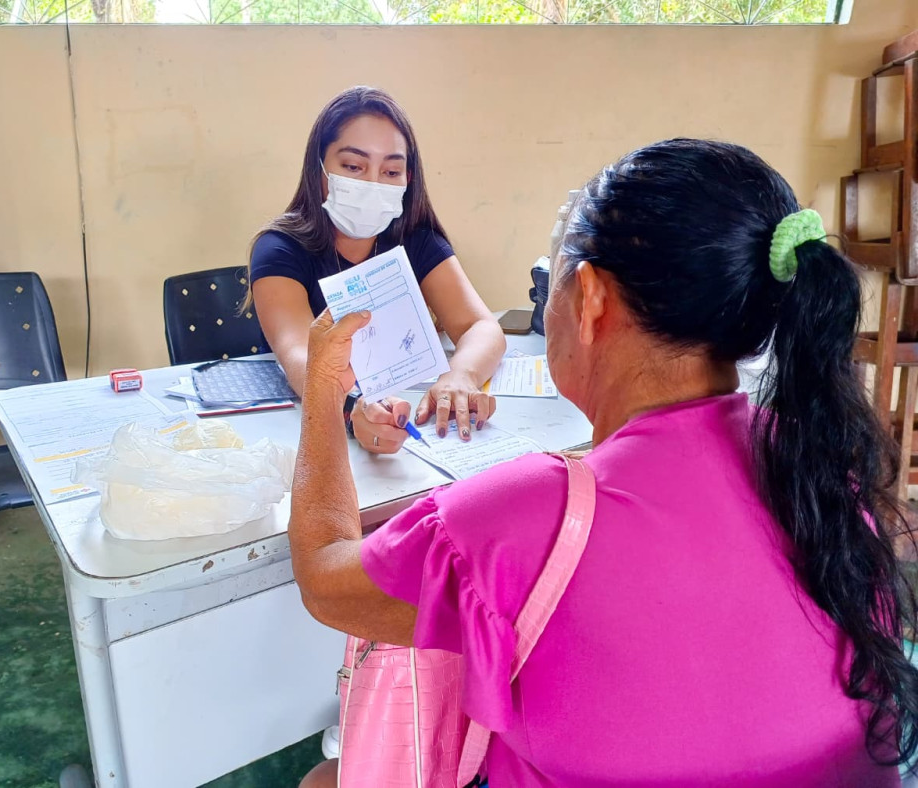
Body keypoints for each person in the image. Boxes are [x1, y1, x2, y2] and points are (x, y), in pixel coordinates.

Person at [290, 139, 918, 786]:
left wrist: (325, 386)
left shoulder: (533, 515)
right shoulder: (817, 467)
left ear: (589, 296)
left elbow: (324, 576)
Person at [247, 87, 505, 455]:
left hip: (415, 430)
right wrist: (355, 407)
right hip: (306, 439)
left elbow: (482, 327)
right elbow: (301, 358)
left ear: (408, 178)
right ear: (318, 168)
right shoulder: (279, 249)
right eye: (353, 166)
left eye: (391, 170)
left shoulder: (417, 241)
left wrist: (461, 375)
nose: (372, 183)